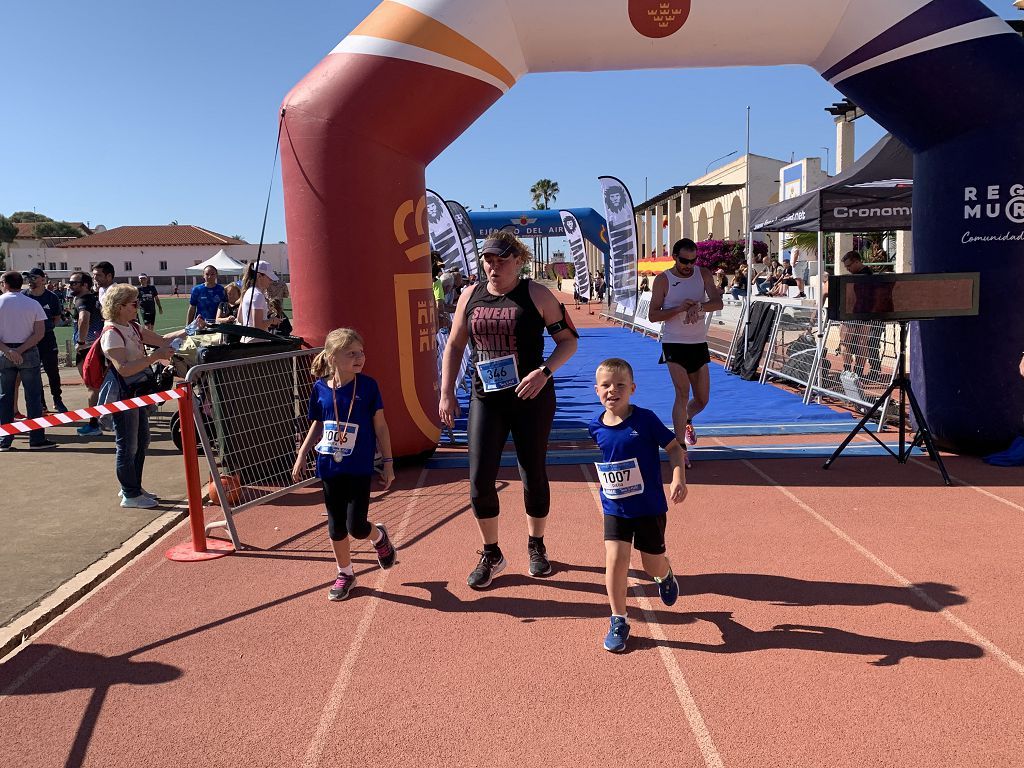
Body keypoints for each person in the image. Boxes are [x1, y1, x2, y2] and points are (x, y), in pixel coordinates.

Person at [439, 230, 579, 588]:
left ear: (519, 260)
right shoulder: (470, 295)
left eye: (502, 259)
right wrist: (446, 393)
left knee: (532, 472)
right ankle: (491, 552)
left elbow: (568, 341)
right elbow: (454, 346)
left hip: (530, 397)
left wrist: (544, 372)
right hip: (486, 397)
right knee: (479, 479)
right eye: (488, 258)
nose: (493, 265)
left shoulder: (536, 294)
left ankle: (537, 545)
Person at [589, 358, 686, 652]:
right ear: (597, 390)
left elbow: (674, 448)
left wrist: (678, 476)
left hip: (649, 506)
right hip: (615, 507)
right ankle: (619, 619)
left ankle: (665, 575)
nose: (612, 390)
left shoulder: (645, 420)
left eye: (620, 385)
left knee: (650, 564)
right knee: (615, 561)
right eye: (606, 385)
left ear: (632, 388)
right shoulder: (595, 426)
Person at [292, 328, 396, 600]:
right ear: (332, 357)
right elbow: (318, 422)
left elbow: (381, 426)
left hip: (359, 467)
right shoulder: (319, 389)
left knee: (357, 527)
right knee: (336, 526)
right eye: (351, 353)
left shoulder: (369, 386)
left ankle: (379, 537)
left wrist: (388, 462)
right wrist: (303, 453)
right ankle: (345, 573)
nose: (359, 357)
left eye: (361, 352)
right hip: (329, 466)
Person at [98, 284, 193, 508]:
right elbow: (123, 368)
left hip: (137, 391)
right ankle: (130, 493)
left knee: (141, 440)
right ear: (120, 306)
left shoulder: (131, 326)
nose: (138, 306)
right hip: (123, 393)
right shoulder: (111, 333)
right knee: (127, 444)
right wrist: (154, 358)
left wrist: (187, 330)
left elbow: (161, 339)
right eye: (133, 303)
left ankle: (133, 487)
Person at [648, 238, 723, 468]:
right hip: (674, 343)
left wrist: (698, 306)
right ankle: (679, 446)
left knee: (702, 399)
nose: (688, 265)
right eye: (684, 261)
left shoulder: (703, 274)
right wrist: (680, 308)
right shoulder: (663, 280)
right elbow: (653, 315)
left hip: (698, 343)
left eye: (692, 260)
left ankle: (687, 419)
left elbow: (718, 303)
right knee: (682, 393)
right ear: (674, 256)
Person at [0, 271, 56, 451]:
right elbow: (39, 333)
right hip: (29, 351)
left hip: (4, 352)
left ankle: (5, 440)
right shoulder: (32, 304)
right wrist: (21, 350)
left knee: (5, 397)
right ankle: (37, 438)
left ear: (5, 283)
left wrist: (9, 350)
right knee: (33, 396)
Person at [22, 268, 68, 414]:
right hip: (29, 339)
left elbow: (56, 317)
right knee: (35, 372)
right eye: (29, 278)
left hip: (47, 338)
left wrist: (46, 328)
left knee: (52, 370)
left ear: (43, 279)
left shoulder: (51, 297)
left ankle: (57, 399)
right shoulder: (24, 297)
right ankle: (41, 404)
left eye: (34, 278)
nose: (30, 281)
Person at [69, 271, 105, 436]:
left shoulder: (83, 300)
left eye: (74, 283)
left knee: (92, 387)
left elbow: (84, 319)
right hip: (95, 346)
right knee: (97, 385)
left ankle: (94, 424)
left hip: (87, 349)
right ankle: (101, 419)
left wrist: (82, 342)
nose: (70, 285)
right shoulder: (93, 298)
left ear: (85, 285)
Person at [238, 261, 282, 342]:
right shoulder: (257, 295)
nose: (271, 281)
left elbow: (240, 319)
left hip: (246, 340)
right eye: (269, 278)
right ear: (259, 276)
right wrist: (272, 320)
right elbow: (258, 326)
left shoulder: (248, 292)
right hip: (256, 342)